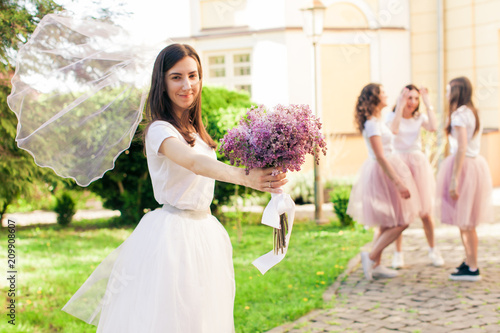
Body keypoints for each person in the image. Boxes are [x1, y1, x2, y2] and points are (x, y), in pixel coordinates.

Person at [62, 43, 288, 332]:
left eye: (193, 75)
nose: (187, 85)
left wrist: (268, 165)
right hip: (172, 236)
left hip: (205, 231)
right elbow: (193, 163)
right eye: (176, 77)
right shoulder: (160, 130)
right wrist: (247, 177)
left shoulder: (196, 131)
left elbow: (203, 165)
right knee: (173, 317)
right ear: (162, 82)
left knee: (203, 316)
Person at [347, 83, 421, 280]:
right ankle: (370, 257)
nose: (386, 95)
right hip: (383, 172)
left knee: (387, 223)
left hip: (389, 167)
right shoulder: (371, 123)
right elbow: (380, 156)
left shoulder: (378, 120)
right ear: (374, 98)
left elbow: (394, 131)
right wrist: (398, 182)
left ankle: (376, 264)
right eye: (383, 93)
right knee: (402, 221)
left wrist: (400, 103)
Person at [436, 76, 493, 281]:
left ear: (456, 91)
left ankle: (472, 266)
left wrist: (454, 178)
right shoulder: (472, 112)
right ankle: (469, 261)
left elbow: (461, 147)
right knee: (467, 221)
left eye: (448, 90)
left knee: (465, 221)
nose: (446, 94)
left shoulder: (460, 114)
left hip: (465, 167)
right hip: (475, 165)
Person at [386, 84, 444, 268]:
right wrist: (399, 106)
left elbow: (433, 127)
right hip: (399, 163)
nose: (412, 102)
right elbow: (393, 130)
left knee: (426, 212)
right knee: (400, 212)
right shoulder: (392, 116)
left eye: (415, 98)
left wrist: (428, 103)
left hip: (418, 163)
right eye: (409, 98)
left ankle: (433, 250)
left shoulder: (420, 117)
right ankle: (398, 254)